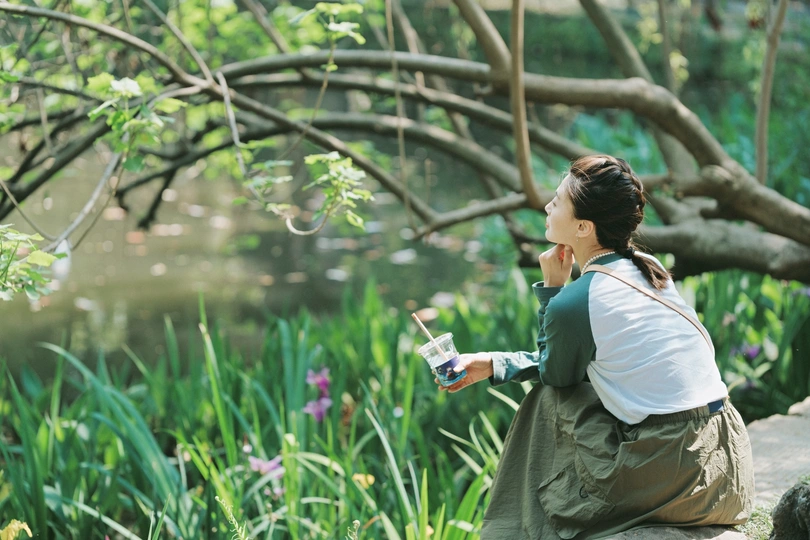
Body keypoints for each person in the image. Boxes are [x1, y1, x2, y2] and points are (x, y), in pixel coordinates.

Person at [440, 155, 754, 539]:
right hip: (728, 469)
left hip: (677, 472)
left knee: (550, 397)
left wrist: (553, 292)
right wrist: (494, 363)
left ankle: (515, 530)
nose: (546, 206)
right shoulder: (646, 266)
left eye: (557, 202)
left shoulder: (576, 301)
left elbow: (556, 373)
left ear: (584, 227)